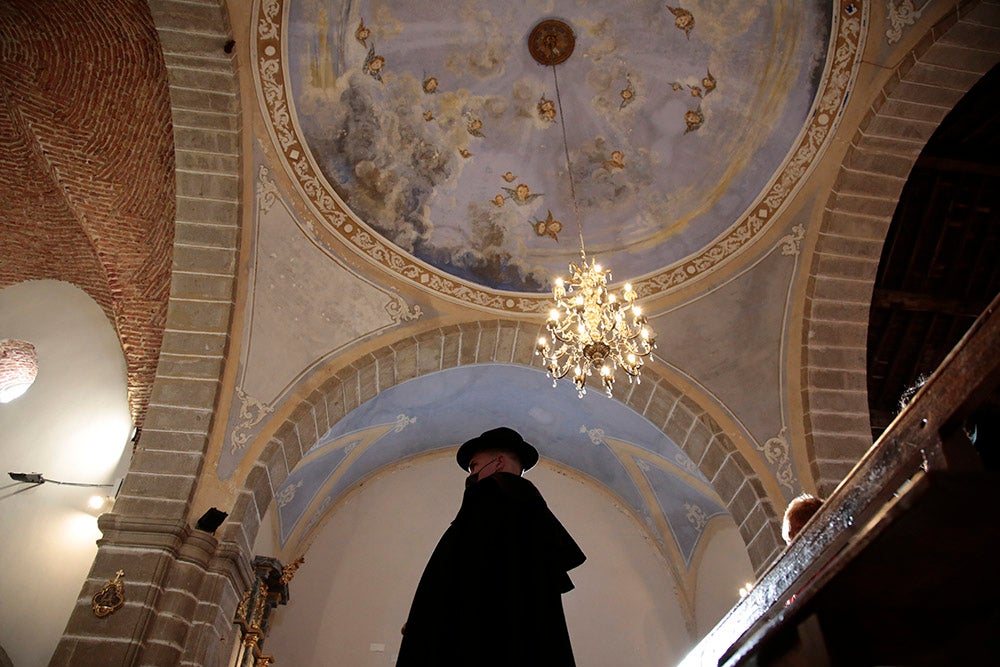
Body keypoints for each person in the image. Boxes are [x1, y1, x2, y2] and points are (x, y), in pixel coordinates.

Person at [396, 427, 586, 666]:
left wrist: (426, 620)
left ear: (498, 462)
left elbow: (463, 570)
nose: (472, 474)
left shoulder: (489, 494)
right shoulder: (531, 510)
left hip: (478, 634)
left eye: (475, 466)